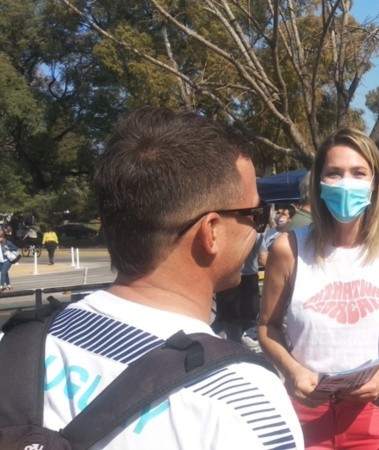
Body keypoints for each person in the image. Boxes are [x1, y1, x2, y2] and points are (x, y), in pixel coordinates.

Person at [5, 107, 304, 448]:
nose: (257, 227)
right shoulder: (241, 400)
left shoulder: (18, 343)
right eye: (254, 214)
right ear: (212, 233)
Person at [257, 127, 379, 449]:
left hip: (377, 414)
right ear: (319, 182)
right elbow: (266, 327)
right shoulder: (288, 248)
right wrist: (292, 371)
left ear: (374, 183)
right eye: (334, 173)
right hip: (307, 415)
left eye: (358, 173)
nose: (346, 183)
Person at [214, 232, 267, 344]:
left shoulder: (225, 232)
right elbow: (263, 260)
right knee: (249, 314)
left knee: (228, 315)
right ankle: (239, 341)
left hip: (227, 277)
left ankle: (230, 339)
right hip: (249, 278)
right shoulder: (257, 236)